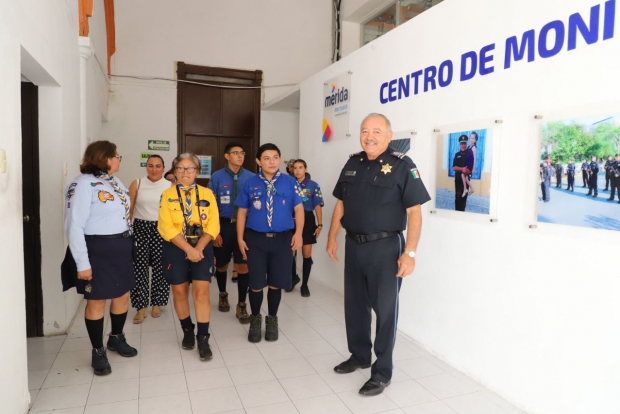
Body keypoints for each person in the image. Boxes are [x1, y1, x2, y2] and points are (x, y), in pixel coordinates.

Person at [327, 113, 430, 397]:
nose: (369, 136)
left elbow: (414, 212)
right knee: (355, 306)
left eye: (376, 131)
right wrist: (332, 236)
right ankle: (359, 355)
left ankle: (382, 372)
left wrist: (409, 252)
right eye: (364, 131)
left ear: (388, 134)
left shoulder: (402, 166)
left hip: (385, 249)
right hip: (354, 245)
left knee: (385, 311)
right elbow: (340, 204)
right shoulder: (352, 163)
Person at [61, 140, 137, 376]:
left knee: (122, 294)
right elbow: (74, 225)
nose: (119, 159)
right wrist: (82, 263)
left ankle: (116, 337)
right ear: (104, 158)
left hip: (121, 246)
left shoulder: (114, 181)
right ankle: (98, 350)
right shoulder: (82, 184)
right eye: (116, 155)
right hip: (97, 249)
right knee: (96, 300)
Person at [236, 143, 304, 343]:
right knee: (256, 284)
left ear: (280, 159)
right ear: (258, 161)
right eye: (266, 158)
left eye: (275, 157)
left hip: (283, 240)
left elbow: (299, 210)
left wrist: (298, 233)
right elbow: (241, 212)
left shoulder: (290, 182)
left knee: (276, 284)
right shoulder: (249, 183)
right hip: (255, 240)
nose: (271, 161)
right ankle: (255, 319)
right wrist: (240, 238)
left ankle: (272, 319)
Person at [158, 153, 219, 360]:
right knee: (180, 292)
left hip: (202, 247)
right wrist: (188, 249)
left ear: (197, 171)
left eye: (190, 168)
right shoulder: (167, 195)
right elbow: (165, 226)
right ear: (175, 172)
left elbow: (213, 225)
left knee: (201, 293)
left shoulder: (207, 194)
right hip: (176, 247)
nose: (186, 172)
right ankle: (187, 330)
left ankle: (203, 337)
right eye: (181, 168)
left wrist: (198, 248)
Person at [209, 142, 255, 323]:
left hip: (245, 227)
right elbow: (210, 207)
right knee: (221, 265)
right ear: (227, 156)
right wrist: (215, 232)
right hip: (223, 226)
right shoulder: (217, 177)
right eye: (235, 153)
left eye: (242, 152)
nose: (240, 156)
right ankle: (222, 293)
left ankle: (242, 304)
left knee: (243, 265)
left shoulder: (252, 177)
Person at [127, 155, 171, 324]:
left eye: (158, 166)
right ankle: (141, 306)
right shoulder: (137, 183)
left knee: (161, 268)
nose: (154, 169)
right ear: (146, 167)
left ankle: (157, 303)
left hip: (161, 229)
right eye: (151, 166)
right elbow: (129, 210)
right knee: (139, 269)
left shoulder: (169, 186)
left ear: (163, 167)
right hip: (140, 229)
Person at [291, 159, 324, 297]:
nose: (298, 170)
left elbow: (317, 205)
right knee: (290, 252)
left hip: (308, 220)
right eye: (295, 168)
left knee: (306, 254)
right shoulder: (289, 184)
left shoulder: (313, 185)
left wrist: (320, 224)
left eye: (300, 167)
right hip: (291, 220)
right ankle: (292, 278)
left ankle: (304, 285)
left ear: (305, 169)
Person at [452, 135, 470, 211]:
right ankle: (457, 211)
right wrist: (462, 169)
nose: (463, 145)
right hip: (458, 179)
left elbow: (471, 168)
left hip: (466, 180)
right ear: (459, 145)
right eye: (462, 143)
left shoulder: (469, 154)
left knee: (464, 197)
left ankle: (462, 211)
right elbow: (454, 167)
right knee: (457, 197)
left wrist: (468, 171)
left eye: (464, 143)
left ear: (466, 144)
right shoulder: (457, 154)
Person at [461, 131, 477, 197]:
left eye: (473, 138)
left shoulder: (474, 148)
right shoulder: (468, 147)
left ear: (475, 140)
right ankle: (472, 189)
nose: (471, 139)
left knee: (462, 175)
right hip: (466, 165)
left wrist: (473, 169)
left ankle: (465, 189)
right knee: (466, 179)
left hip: (469, 166)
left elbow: (475, 159)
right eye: (471, 138)